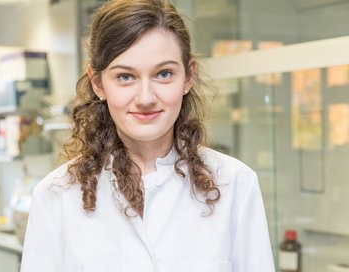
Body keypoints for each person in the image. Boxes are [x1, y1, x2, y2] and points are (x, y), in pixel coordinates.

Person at [20, 0, 275, 271]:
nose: (145, 98)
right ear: (98, 83)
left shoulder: (234, 184)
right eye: (125, 77)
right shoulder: (56, 196)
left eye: (163, 74)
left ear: (188, 77)